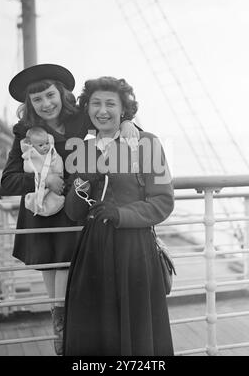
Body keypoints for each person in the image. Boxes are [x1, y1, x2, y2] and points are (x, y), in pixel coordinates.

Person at [0, 64, 139, 355]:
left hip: (79, 214)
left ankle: (76, 342)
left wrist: (129, 124)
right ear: (30, 104)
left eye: (50, 95)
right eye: (37, 99)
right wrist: (42, 178)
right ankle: (64, 342)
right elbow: (8, 181)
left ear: (62, 94)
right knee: (58, 295)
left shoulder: (81, 121)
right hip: (45, 219)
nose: (46, 104)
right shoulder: (26, 133)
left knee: (79, 290)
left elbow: (110, 124)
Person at [63, 76, 175, 356]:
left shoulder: (146, 143)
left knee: (135, 335)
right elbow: (74, 212)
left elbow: (162, 201)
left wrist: (120, 213)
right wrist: (85, 180)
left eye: (110, 104)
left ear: (124, 109)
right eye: (95, 103)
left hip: (133, 250)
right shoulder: (84, 149)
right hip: (92, 251)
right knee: (95, 334)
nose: (103, 110)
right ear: (87, 109)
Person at [21, 126, 65, 217]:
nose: (45, 147)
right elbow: (27, 168)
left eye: (47, 143)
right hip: (38, 185)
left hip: (53, 186)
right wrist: (44, 178)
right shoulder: (30, 156)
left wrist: (56, 173)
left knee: (52, 195)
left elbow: (58, 164)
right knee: (37, 195)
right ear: (32, 146)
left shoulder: (52, 154)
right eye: (40, 145)